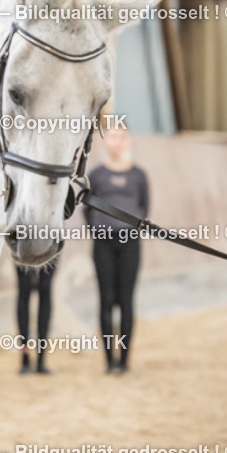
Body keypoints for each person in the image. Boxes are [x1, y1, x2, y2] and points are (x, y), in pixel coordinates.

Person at [83, 124, 149, 374]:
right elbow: (87, 209)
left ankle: (125, 359)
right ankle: (109, 360)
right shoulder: (96, 175)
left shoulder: (138, 176)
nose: (117, 141)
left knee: (126, 300)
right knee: (106, 299)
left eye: (122, 137)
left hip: (130, 243)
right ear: (104, 142)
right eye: (112, 136)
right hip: (103, 243)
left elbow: (144, 207)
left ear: (128, 141)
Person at [15, 261, 57, 374]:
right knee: (24, 287)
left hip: (50, 244)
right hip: (22, 244)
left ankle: (41, 359)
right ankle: (25, 356)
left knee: (45, 288)